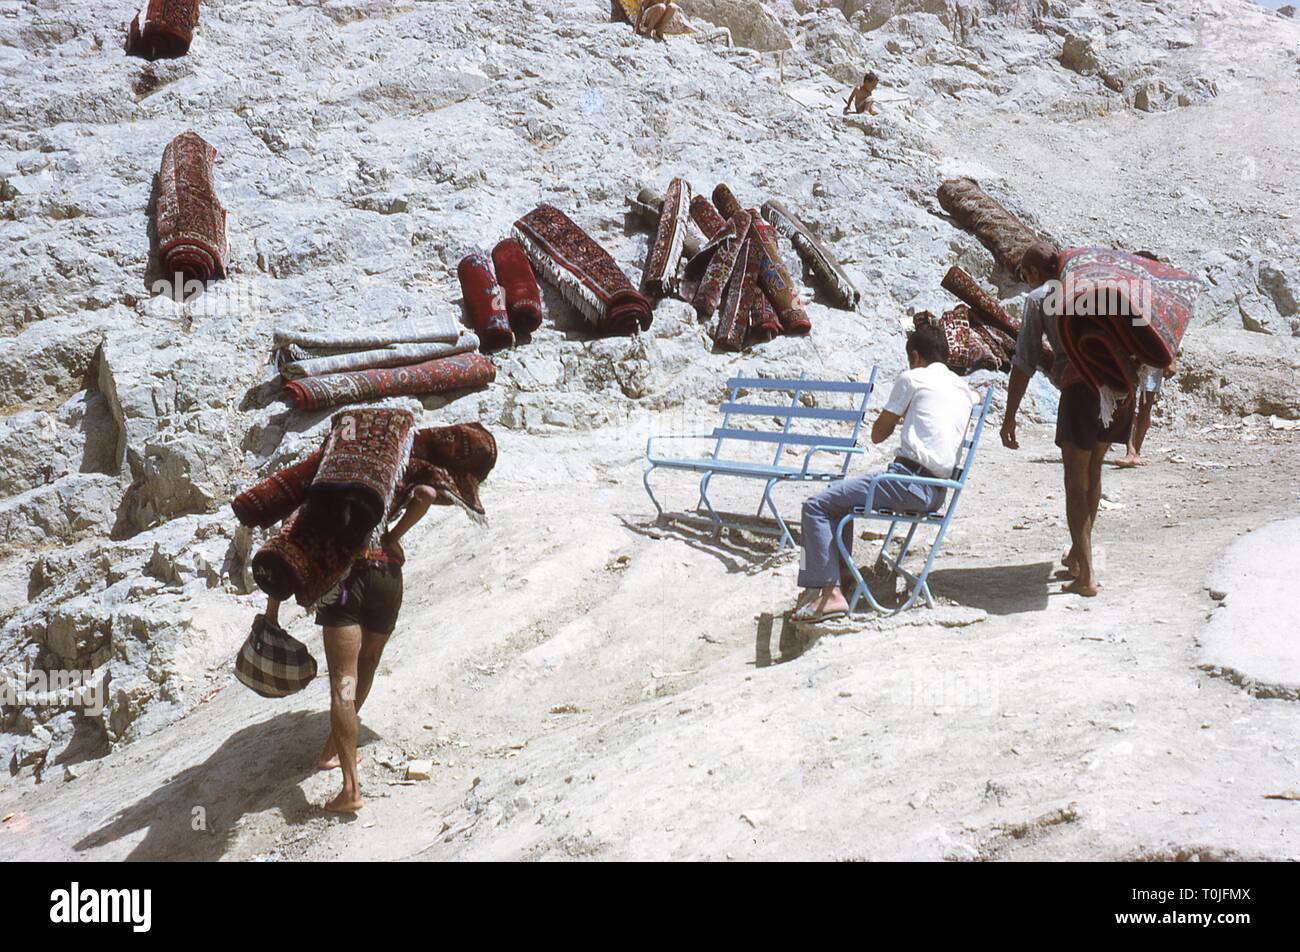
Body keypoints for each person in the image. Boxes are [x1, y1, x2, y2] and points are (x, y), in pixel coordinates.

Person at [263, 482, 440, 814]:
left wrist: (272, 612)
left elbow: (284, 551)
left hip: (344, 585)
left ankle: (351, 789)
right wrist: (393, 536)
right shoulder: (381, 475)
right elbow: (427, 494)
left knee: (343, 683)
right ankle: (332, 749)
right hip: (385, 575)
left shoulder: (320, 485)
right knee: (368, 663)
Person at [793, 323, 978, 623]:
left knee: (815, 506)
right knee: (839, 494)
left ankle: (830, 592)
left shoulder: (912, 378)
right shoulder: (965, 390)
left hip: (907, 483)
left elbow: (878, 434)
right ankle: (841, 575)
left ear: (915, 356)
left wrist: (903, 410)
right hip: (936, 492)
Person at [1000, 241, 1135, 598]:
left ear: (1031, 272)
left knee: (1075, 483)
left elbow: (1024, 361)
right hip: (1119, 389)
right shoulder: (1089, 289)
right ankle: (1078, 556)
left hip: (1080, 392)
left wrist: (1010, 415)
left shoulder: (1039, 298)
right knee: (1093, 473)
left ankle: (1086, 575)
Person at [1116, 359, 1176, 468]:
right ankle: (1131, 451)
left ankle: (1137, 451)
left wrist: (1171, 360)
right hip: (1133, 355)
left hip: (1154, 357)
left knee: (1145, 407)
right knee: (1130, 403)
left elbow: (1172, 341)